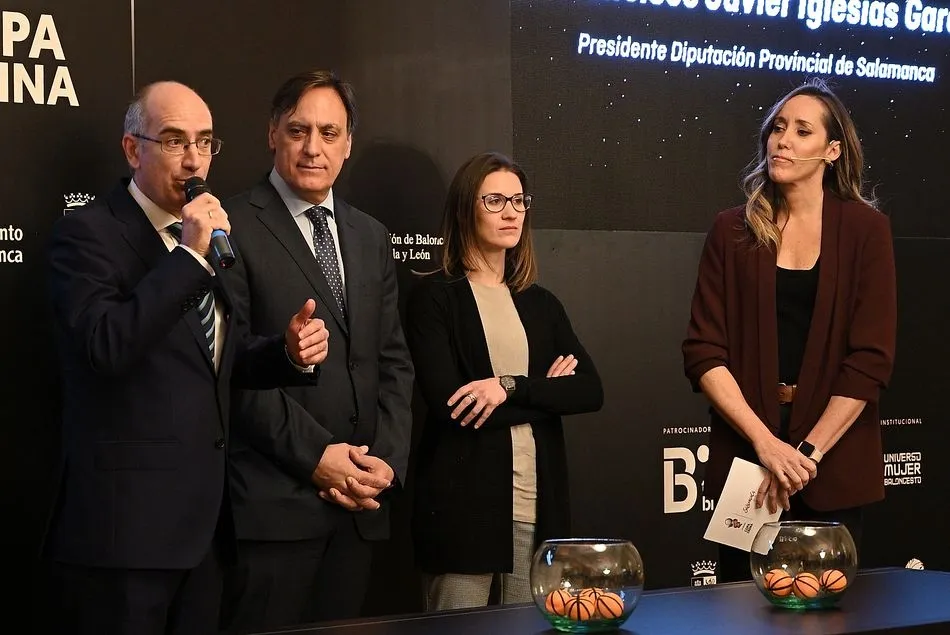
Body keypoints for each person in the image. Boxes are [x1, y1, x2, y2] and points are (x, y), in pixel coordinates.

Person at [45, 81, 329, 635]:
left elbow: (216, 356)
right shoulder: (87, 235)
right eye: (175, 142)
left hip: (205, 535)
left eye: (204, 142)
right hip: (125, 539)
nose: (194, 160)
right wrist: (189, 257)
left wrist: (287, 354)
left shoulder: (206, 238)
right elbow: (107, 345)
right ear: (133, 149)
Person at [219, 70, 414, 632]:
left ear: (348, 144)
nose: (313, 148)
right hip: (274, 510)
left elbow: (392, 363)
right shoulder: (229, 227)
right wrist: (318, 458)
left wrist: (385, 465)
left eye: (329, 133)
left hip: (359, 511)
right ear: (272, 134)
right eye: (298, 130)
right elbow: (227, 369)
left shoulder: (371, 235)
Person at [682, 78, 897, 583]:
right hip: (749, 458)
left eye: (802, 131)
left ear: (832, 151)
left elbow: (870, 360)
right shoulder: (732, 230)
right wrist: (767, 444)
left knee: (828, 607)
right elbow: (703, 351)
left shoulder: (867, 231)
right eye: (778, 128)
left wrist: (804, 455)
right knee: (741, 607)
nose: (783, 140)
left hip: (831, 461)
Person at [407, 152, 604, 610]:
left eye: (518, 200)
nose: (511, 212)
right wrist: (547, 394)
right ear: (466, 208)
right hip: (462, 510)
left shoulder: (541, 303)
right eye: (494, 200)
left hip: (536, 509)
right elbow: (453, 407)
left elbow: (589, 390)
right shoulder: (434, 297)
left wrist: (509, 386)